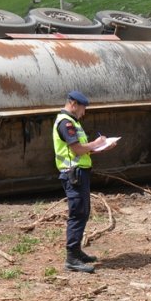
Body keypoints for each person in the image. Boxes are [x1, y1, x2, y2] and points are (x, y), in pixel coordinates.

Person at [54, 90, 112, 273]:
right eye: (82, 108)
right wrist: (96, 143)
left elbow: (81, 150)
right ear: (73, 104)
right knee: (77, 213)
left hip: (80, 172)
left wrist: (102, 147)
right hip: (74, 174)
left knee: (83, 212)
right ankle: (71, 258)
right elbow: (78, 149)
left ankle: (77, 251)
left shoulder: (72, 122)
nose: (83, 112)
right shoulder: (65, 123)